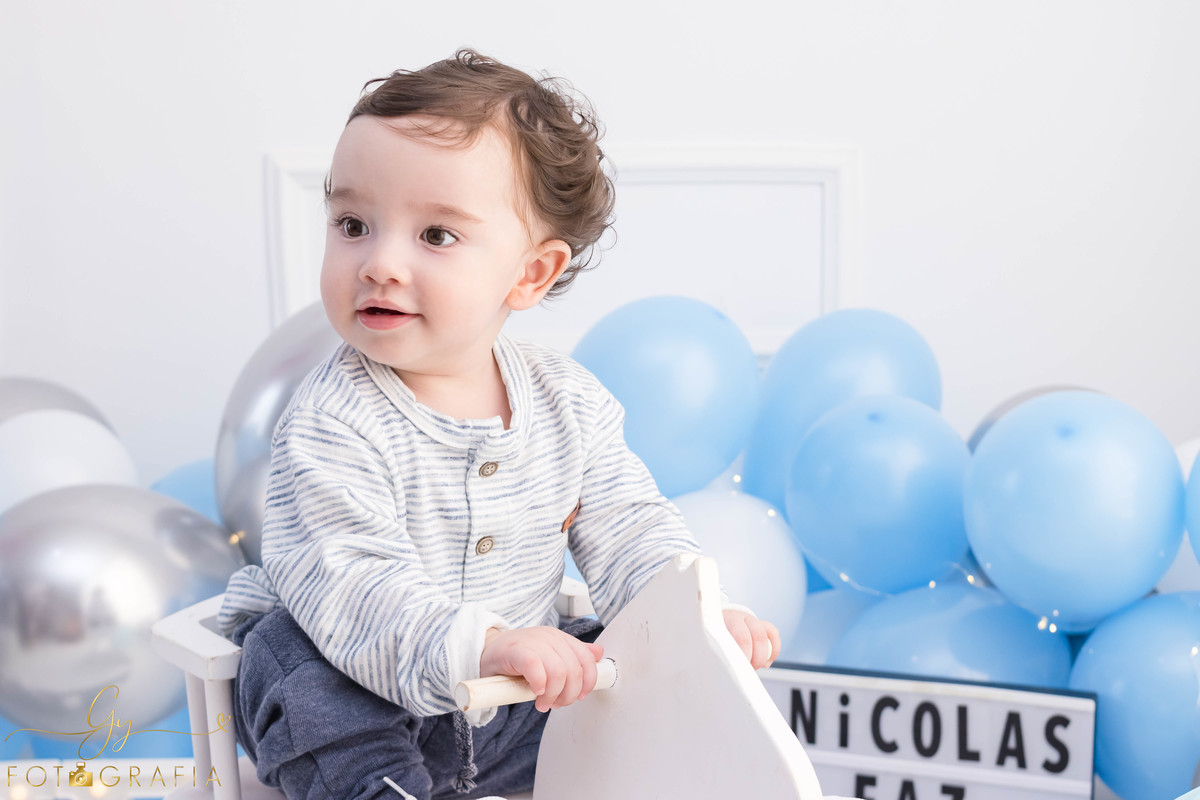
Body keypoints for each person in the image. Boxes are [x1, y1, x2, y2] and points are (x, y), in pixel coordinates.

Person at [216, 49, 781, 800]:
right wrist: (482, 645)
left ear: (530, 274)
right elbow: (354, 582)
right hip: (367, 689)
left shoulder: (567, 402)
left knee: (618, 663)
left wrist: (700, 619)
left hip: (510, 706)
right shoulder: (332, 422)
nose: (379, 263)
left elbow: (630, 527)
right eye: (353, 223)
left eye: (436, 236)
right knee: (291, 659)